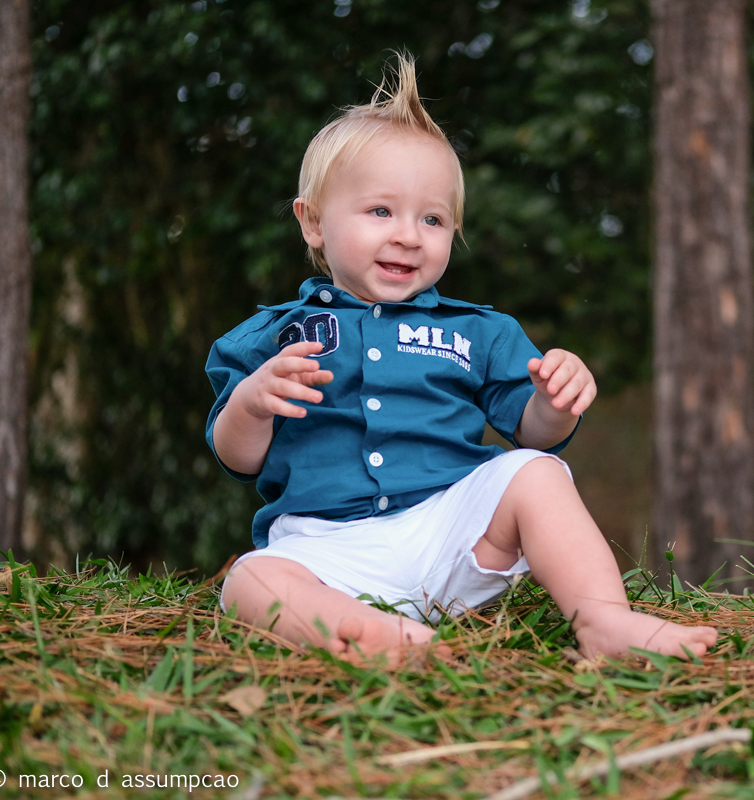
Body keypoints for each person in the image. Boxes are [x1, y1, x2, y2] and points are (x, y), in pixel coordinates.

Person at [206, 54, 718, 666]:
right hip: (324, 549)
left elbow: (533, 432)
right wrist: (252, 404)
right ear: (313, 221)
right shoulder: (271, 336)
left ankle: (605, 619)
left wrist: (554, 402)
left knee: (536, 472)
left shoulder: (477, 332)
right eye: (380, 211)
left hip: (449, 535)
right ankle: (374, 636)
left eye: (433, 218)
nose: (408, 235)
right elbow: (237, 456)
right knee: (250, 581)